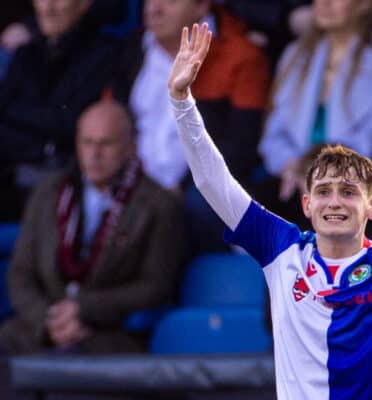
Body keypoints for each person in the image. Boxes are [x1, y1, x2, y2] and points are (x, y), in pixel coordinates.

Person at [169, 22, 372, 399]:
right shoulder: (282, 252)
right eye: (324, 191)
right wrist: (181, 100)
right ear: (307, 203)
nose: (334, 201)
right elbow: (211, 182)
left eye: (349, 192)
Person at [0, 100, 184, 354]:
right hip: (45, 325)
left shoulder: (159, 205)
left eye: (106, 143)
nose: (94, 154)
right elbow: (21, 273)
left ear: (130, 146)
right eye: (87, 143)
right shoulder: (48, 194)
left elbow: (155, 285)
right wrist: (48, 320)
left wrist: (84, 309)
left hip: (110, 330)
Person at [112, 0, 270, 254]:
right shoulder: (130, 51)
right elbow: (109, 124)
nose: (154, 8)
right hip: (134, 184)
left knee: (191, 208)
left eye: (170, 1)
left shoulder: (240, 57)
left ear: (200, 7)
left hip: (195, 192)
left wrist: (185, 186)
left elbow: (241, 148)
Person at [257, 0, 372, 238]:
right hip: (296, 179)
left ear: (365, 5)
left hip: (368, 183)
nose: (325, 3)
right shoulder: (295, 55)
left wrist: (318, 171)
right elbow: (273, 134)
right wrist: (290, 163)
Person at [0, 0, 120, 221]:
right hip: (11, 174)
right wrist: (43, 141)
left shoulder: (105, 54)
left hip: (62, 182)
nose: (48, 7)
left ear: (84, 4)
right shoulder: (26, 54)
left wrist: (18, 114)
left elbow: (71, 123)